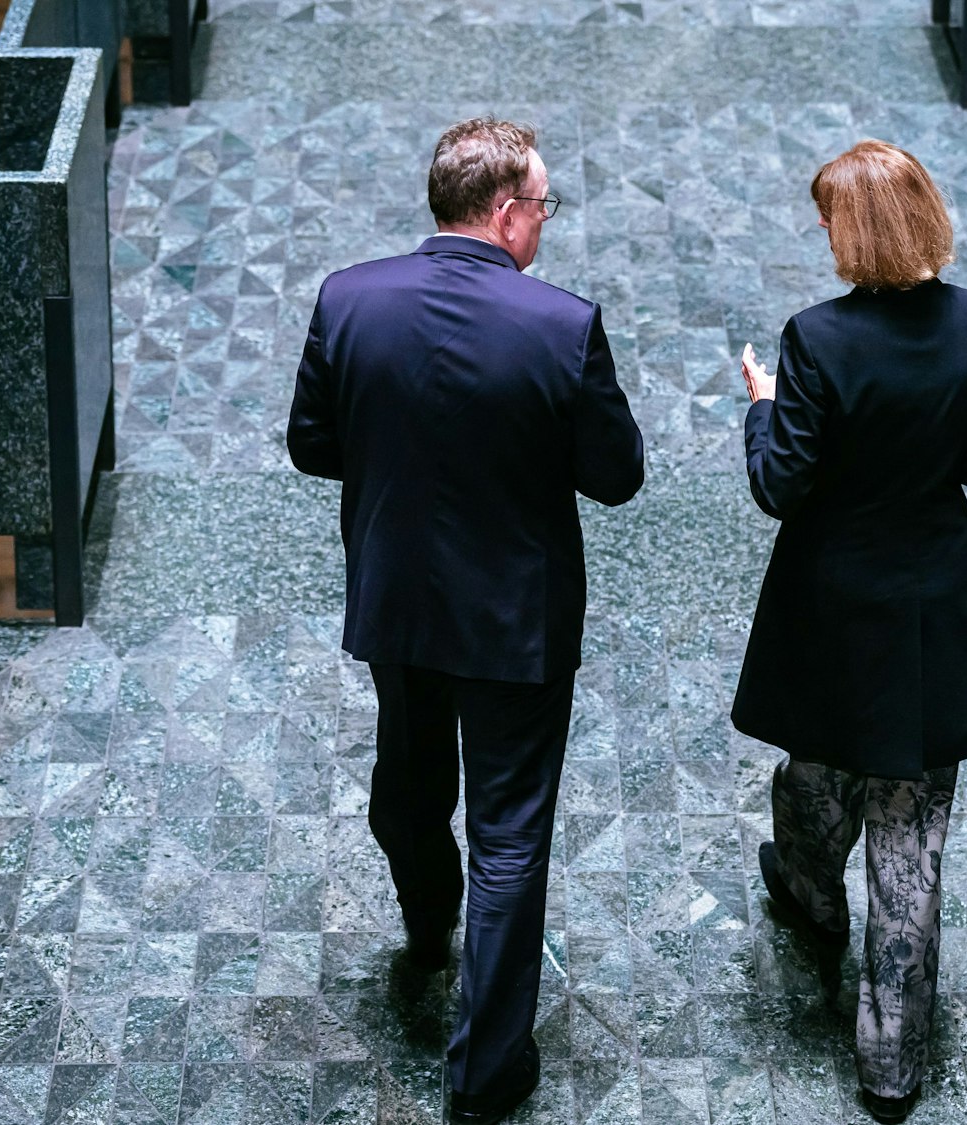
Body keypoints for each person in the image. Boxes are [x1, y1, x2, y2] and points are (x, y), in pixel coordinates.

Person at [286, 116, 644, 1123]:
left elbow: (312, 444)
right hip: (516, 625)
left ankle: (426, 912)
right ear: (502, 213)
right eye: (541, 207)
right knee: (510, 835)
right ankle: (485, 1074)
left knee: (406, 786)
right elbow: (615, 477)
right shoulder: (559, 326)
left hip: (396, 602)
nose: (543, 225)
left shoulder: (347, 298)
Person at [731, 139, 967, 1124]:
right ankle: (889, 1069)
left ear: (853, 233)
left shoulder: (817, 338)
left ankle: (807, 891)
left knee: (817, 767)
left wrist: (761, 405)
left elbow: (778, 485)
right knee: (912, 833)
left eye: (824, 218)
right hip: (931, 600)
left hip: (836, 600)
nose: (818, 230)